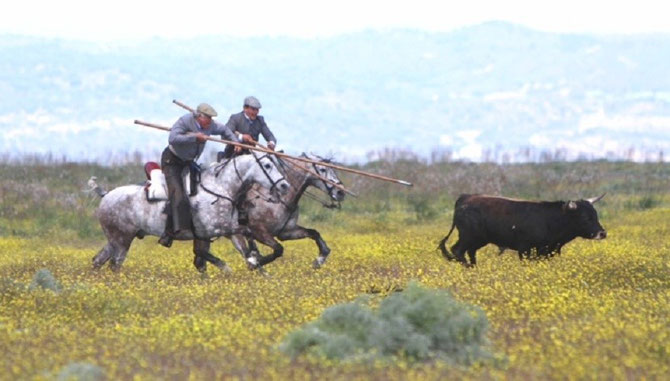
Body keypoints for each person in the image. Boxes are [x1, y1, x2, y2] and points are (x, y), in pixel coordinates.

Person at [158, 102, 241, 248]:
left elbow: (226, 130)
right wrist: (195, 137)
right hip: (172, 161)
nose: (210, 121)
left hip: (189, 162)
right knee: (178, 195)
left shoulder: (211, 126)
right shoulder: (184, 121)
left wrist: (235, 142)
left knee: (203, 192)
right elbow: (173, 138)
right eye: (208, 118)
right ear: (199, 116)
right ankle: (171, 232)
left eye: (211, 118)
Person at [219, 96, 277, 160]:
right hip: (232, 155)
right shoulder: (235, 118)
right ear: (245, 108)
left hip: (251, 157)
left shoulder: (260, 121)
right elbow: (224, 135)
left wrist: (271, 144)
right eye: (253, 109)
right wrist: (241, 137)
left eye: (257, 110)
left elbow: (269, 135)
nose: (255, 112)